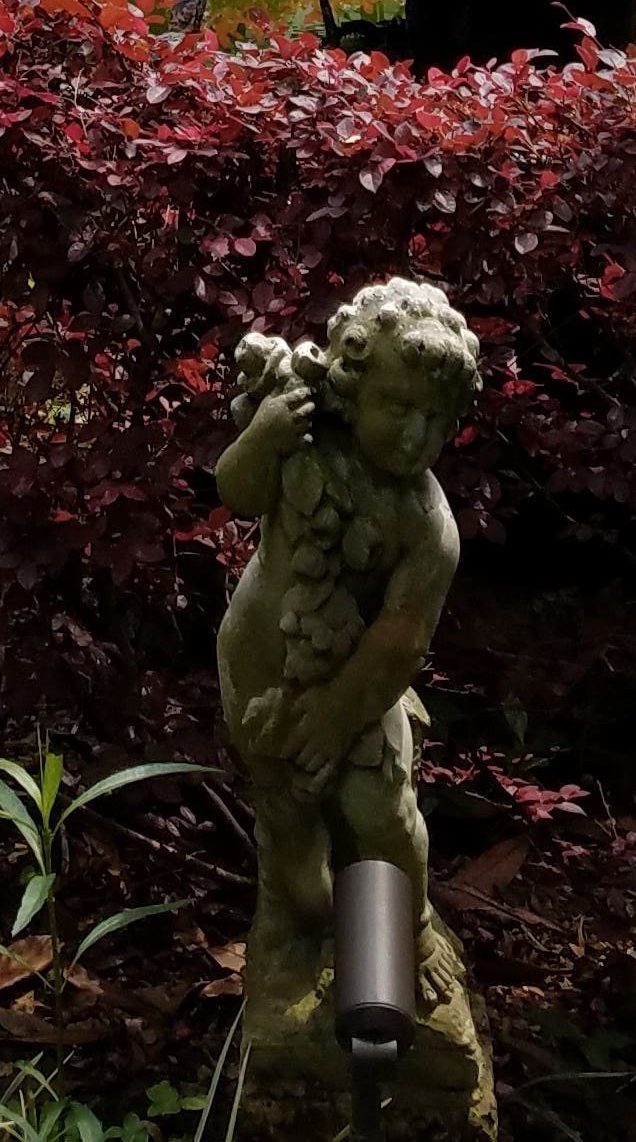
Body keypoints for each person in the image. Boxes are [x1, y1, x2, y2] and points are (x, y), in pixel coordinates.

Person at [216, 280, 483, 991]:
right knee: (282, 804)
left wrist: (336, 718)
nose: (414, 434)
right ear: (352, 387)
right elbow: (236, 491)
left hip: (359, 688)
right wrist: (264, 435)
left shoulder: (430, 528)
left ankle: (412, 926)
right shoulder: (304, 440)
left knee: (383, 814)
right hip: (260, 663)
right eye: (397, 407)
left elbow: (398, 641)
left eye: (435, 418)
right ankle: (289, 911)